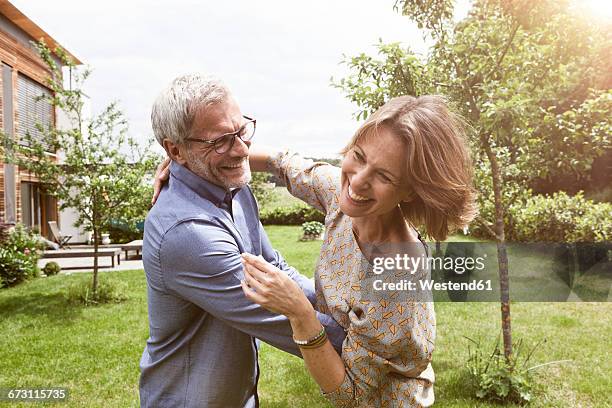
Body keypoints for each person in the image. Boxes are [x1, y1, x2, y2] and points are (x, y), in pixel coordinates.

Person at [239, 95, 477, 407]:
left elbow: (352, 397)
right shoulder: (340, 196)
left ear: (409, 191)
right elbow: (279, 162)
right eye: (360, 156)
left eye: (384, 176)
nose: (359, 181)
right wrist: (192, 163)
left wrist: (300, 312)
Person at [139, 73, 346, 408]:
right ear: (175, 150)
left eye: (241, 131)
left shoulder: (233, 189)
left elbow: (277, 272)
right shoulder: (187, 233)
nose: (241, 149)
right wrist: (378, 343)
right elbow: (280, 313)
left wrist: (347, 310)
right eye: (220, 141)